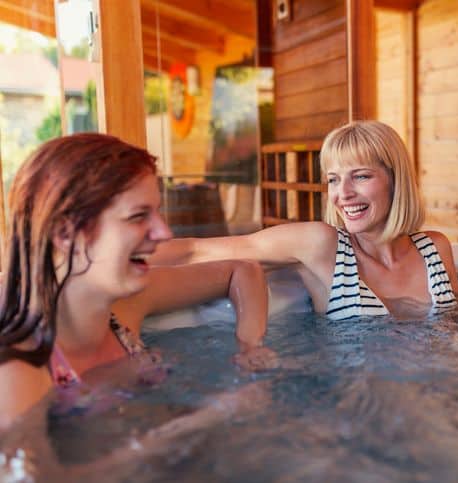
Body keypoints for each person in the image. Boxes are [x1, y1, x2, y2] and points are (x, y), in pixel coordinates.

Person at [151, 121, 458, 348]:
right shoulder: (322, 245)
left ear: (395, 180)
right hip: (365, 403)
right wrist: (114, 255)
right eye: (333, 180)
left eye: (360, 177)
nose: (343, 195)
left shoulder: (433, 247)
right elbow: (194, 250)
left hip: (439, 385)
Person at [0, 134, 269, 428]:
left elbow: (241, 270)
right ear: (65, 233)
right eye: (138, 216)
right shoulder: (18, 369)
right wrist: (209, 417)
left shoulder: (126, 303)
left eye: (157, 212)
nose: (163, 232)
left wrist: (250, 346)